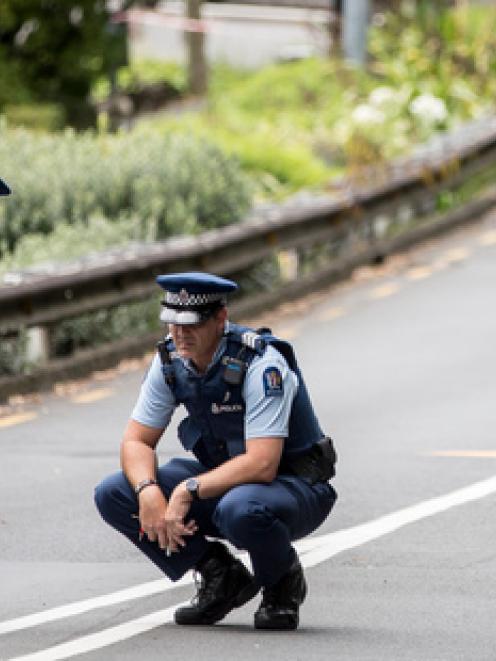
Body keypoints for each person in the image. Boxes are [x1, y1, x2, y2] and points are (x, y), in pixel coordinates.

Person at [95, 272, 337, 630]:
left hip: (293, 488)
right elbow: (136, 441)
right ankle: (220, 574)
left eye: (190, 324)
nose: (179, 334)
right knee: (115, 492)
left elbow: (262, 464)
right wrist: (148, 492)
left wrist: (186, 490)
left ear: (220, 318)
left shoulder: (261, 364)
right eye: (172, 324)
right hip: (228, 487)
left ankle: (282, 580)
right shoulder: (171, 362)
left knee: (240, 510)